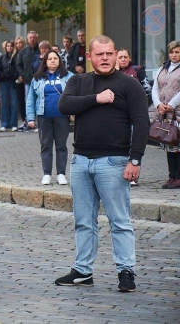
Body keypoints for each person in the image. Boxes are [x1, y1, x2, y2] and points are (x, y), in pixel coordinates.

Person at [55, 35, 149, 293]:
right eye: (100, 54)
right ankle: (83, 270)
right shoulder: (79, 81)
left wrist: (135, 159)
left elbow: (142, 123)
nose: (105, 58)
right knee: (84, 220)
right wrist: (96, 98)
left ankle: (126, 271)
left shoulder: (129, 85)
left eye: (109, 53)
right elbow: (64, 105)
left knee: (120, 220)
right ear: (90, 57)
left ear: (116, 54)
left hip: (114, 162)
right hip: (81, 161)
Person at [26, 50, 73, 185]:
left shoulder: (69, 76)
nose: (53, 61)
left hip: (62, 117)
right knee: (45, 145)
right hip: (43, 117)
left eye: (55, 58)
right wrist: (30, 118)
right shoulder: (37, 78)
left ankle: (61, 174)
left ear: (60, 61)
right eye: (50, 59)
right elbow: (30, 100)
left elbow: (75, 94)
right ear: (45, 62)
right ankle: (46, 174)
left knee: (61, 146)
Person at [150, 40, 180, 190]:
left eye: (177, 52)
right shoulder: (163, 68)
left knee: (178, 145)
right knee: (168, 143)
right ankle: (171, 176)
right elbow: (155, 88)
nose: (174, 55)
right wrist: (158, 105)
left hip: (177, 114)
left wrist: (171, 105)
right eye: (172, 52)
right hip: (164, 113)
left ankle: (178, 177)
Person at [15, 31, 39, 130]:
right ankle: (29, 121)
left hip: (39, 80)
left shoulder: (40, 50)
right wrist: (23, 75)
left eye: (34, 37)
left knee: (39, 101)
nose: (32, 39)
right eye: (30, 38)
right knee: (28, 101)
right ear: (28, 39)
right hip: (28, 81)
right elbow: (18, 64)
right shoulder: (24, 51)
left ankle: (38, 121)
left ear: (36, 38)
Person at [0, 40, 18, 132]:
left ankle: (13, 124)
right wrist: (1, 77)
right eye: (8, 46)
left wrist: (14, 76)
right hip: (3, 83)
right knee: (4, 103)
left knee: (13, 104)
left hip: (13, 83)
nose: (9, 48)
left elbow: (17, 69)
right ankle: (4, 124)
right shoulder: (2, 58)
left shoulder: (16, 57)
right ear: (5, 47)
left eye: (11, 46)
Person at [13, 36, 27, 125]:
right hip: (17, 81)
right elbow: (13, 68)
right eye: (17, 43)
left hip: (27, 79)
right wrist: (18, 77)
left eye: (20, 43)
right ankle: (24, 120)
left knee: (28, 101)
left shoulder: (27, 53)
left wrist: (23, 76)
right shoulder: (14, 55)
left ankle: (31, 119)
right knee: (21, 101)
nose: (18, 45)